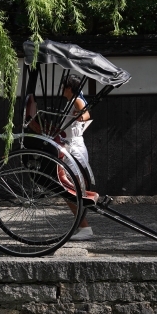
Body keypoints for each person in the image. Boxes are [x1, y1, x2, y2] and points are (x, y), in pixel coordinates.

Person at [58, 75, 96, 240]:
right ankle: (82, 226)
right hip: (70, 146)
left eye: (64, 86)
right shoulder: (72, 100)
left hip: (74, 148)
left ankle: (85, 228)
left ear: (70, 88)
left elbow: (85, 114)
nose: (62, 89)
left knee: (71, 189)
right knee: (69, 189)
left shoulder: (76, 100)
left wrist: (80, 116)